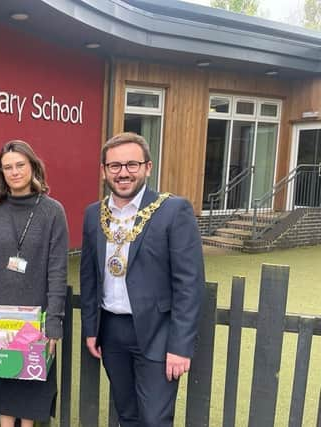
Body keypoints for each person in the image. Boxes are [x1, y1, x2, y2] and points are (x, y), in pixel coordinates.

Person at [80, 132, 204, 427]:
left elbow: (189, 283)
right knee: (127, 414)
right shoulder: (94, 214)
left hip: (157, 333)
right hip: (111, 330)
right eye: (115, 166)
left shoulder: (173, 210)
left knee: (155, 419)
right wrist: (91, 328)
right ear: (104, 171)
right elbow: (89, 276)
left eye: (132, 165)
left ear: (148, 167)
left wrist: (180, 345)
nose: (123, 173)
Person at [0, 140, 69, 427]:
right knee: (2, 387)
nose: (15, 172)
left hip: (35, 317)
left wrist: (54, 323)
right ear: (1, 173)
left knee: (28, 391)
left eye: (20, 165)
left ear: (33, 166)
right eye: (7, 167)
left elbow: (58, 270)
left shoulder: (53, 211)